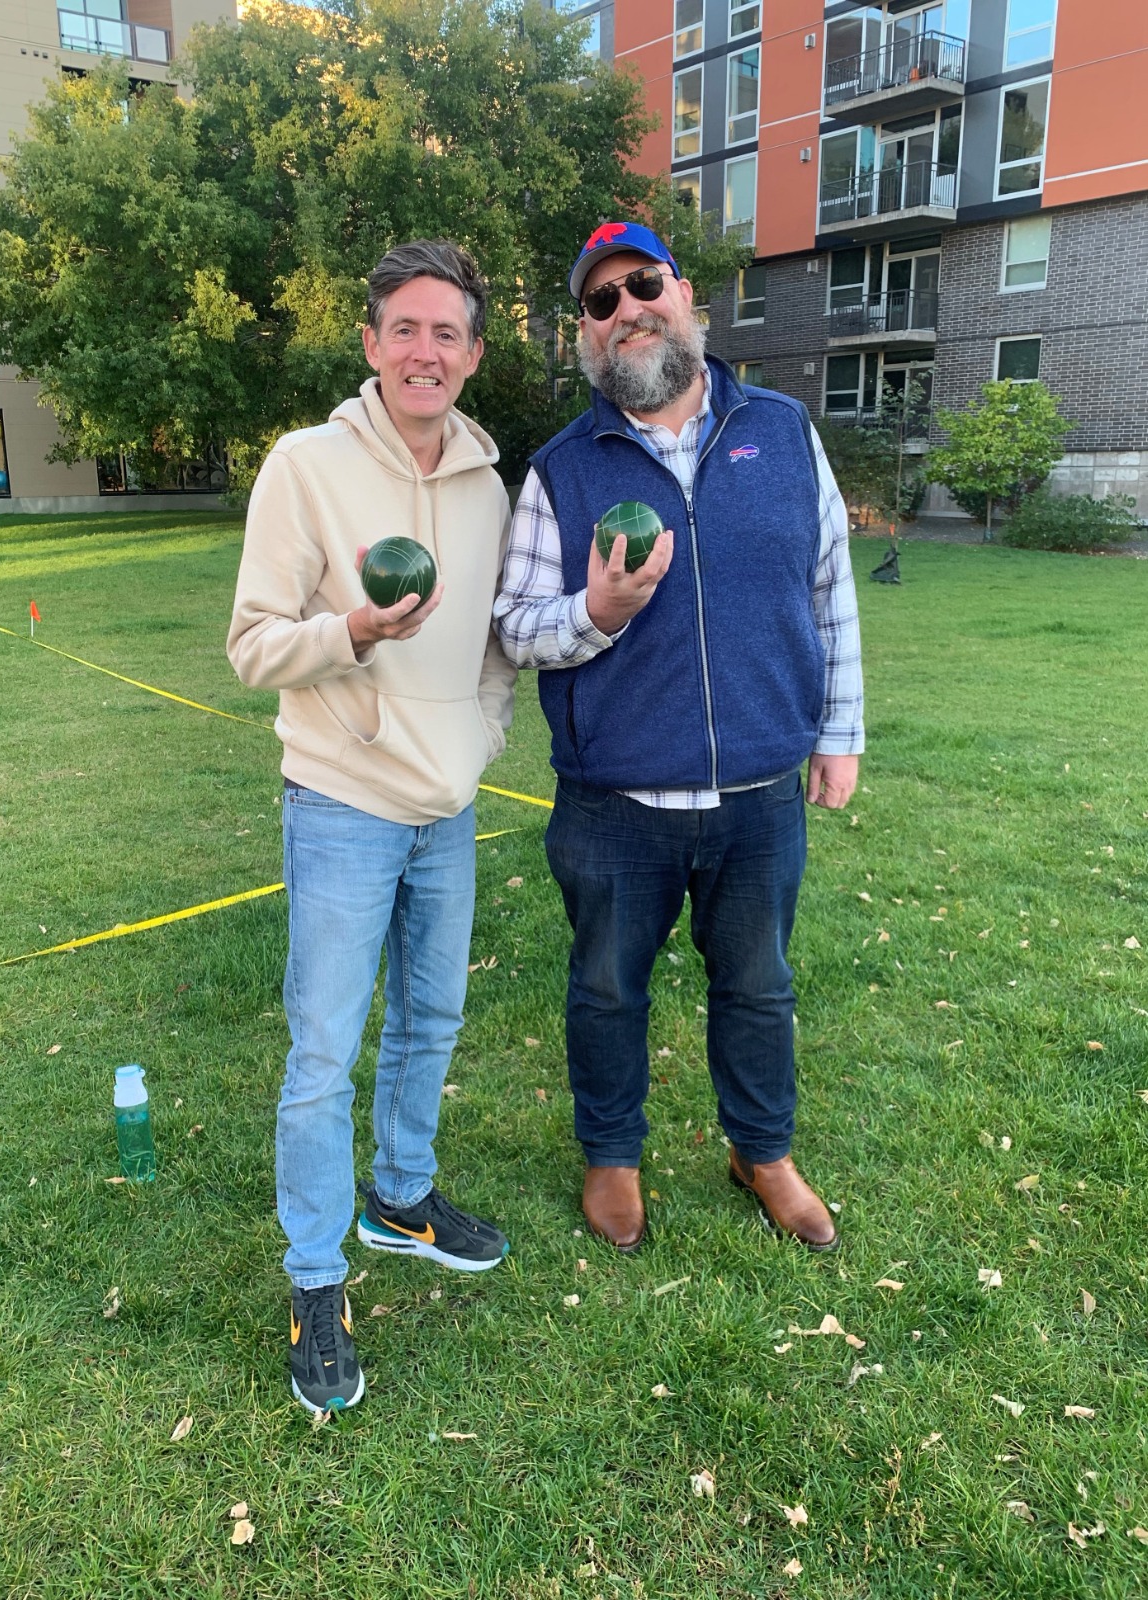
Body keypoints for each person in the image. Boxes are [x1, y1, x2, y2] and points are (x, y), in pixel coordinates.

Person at [494, 222, 863, 1255]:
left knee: (759, 983)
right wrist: (597, 611)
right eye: (602, 301)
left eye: (643, 284)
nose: (627, 310)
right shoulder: (561, 471)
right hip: (615, 805)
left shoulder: (784, 432)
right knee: (607, 986)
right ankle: (611, 1158)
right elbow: (517, 626)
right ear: (587, 332)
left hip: (759, 791)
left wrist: (839, 730)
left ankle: (763, 1151)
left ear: (685, 292)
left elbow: (830, 587)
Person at [228, 239, 517, 1412]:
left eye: (447, 332)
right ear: (369, 343)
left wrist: (481, 738)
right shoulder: (304, 466)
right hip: (342, 804)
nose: (424, 351)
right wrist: (350, 631)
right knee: (323, 1054)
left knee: (432, 1021)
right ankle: (313, 1279)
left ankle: (401, 1197)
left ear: (474, 353)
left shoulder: (491, 486)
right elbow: (253, 645)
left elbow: (497, 649)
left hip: (448, 809)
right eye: (405, 327)